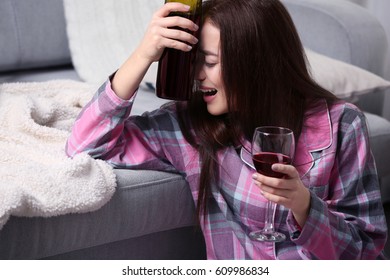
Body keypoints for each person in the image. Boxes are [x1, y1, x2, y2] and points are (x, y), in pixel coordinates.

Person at [66, 0, 387, 259]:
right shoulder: (190, 128)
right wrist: (143, 56)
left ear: (254, 62)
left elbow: (367, 252)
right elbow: (85, 145)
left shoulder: (342, 124)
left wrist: (304, 205)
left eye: (209, 62)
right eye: (195, 62)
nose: (197, 75)